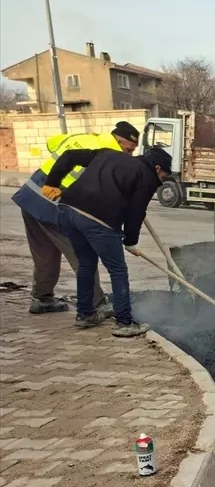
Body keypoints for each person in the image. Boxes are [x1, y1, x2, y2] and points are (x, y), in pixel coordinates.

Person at [42, 145, 173, 337]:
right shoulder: (147, 176)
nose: (160, 182)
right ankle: (124, 323)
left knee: (86, 264)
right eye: (163, 177)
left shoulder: (108, 154)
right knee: (118, 270)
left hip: (66, 211)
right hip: (97, 219)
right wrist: (130, 240)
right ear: (158, 168)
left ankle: (85, 315)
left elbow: (70, 155)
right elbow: (136, 213)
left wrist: (52, 182)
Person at [10, 121, 140, 315]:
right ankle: (97, 304)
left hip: (30, 195)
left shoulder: (82, 138)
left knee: (45, 254)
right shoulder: (107, 157)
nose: (129, 155)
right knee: (82, 254)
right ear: (119, 142)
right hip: (52, 204)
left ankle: (42, 299)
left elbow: (52, 144)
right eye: (129, 150)